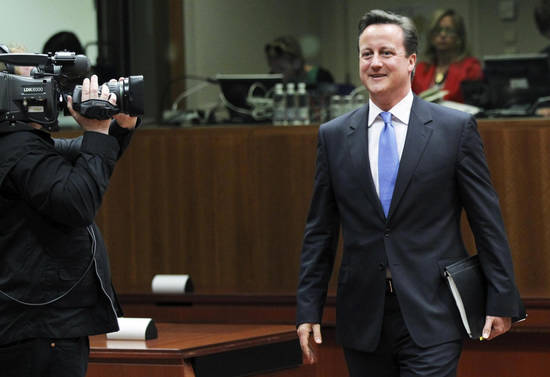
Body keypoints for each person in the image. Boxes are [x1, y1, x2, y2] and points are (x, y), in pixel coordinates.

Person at [296, 9, 522, 377]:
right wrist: (308, 309)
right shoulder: (334, 136)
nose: (375, 63)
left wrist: (501, 299)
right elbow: (319, 231)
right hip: (362, 317)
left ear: (411, 61)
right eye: (366, 54)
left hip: (432, 311)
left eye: (386, 52)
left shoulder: (454, 129)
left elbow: (487, 221)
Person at [0, 74, 139, 377]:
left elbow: (82, 154)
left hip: (40, 323)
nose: (45, 93)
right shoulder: (18, 149)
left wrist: (115, 127)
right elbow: (76, 203)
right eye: (33, 86)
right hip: (40, 327)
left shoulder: (18, 145)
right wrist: (98, 130)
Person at [412, 9, 482, 103]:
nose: (443, 35)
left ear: (459, 37)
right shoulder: (421, 69)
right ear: (431, 36)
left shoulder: (471, 67)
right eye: (437, 30)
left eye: (449, 30)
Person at [265, 35, 334, 85]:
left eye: (281, 69)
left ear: (296, 63)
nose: (275, 74)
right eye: (273, 68)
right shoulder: (272, 79)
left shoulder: (321, 77)